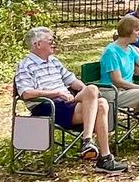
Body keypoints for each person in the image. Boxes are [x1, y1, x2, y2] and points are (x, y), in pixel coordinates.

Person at [15, 27, 126, 174]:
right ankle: (100, 154)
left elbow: (73, 81)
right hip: (47, 106)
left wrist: (86, 92)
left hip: (66, 102)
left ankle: (93, 147)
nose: (54, 44)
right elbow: (26, 93)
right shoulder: (25, 65)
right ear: (38, 44)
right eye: (50, 41)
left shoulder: (54, 61)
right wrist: (56, 93)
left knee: (96, 96)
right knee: (101, 103)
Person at [99, 15, 139, 148]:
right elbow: (118, 81)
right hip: (112, 92)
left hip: (126, 90)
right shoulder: (111, 52)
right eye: (137, 29)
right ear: (128, 31)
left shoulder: (130, 49)